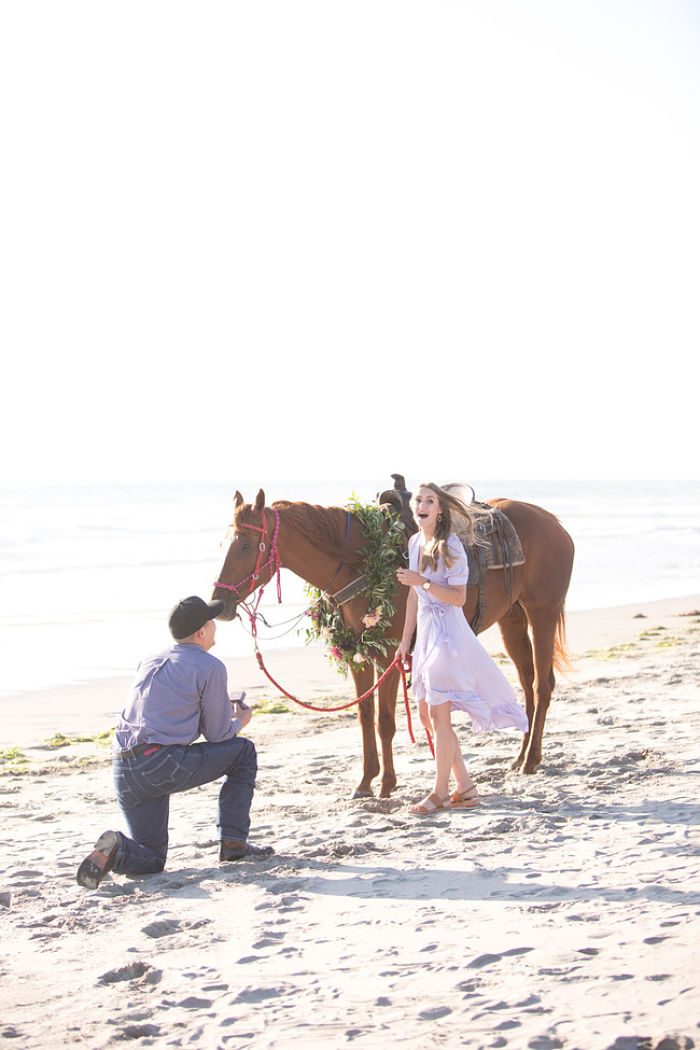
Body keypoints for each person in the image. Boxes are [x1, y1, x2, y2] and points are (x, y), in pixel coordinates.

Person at [77, 595, 273, 889]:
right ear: (201, 632)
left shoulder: (150, 659)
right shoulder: (210, 666)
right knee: (243, 752)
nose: (215, 629)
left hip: (123, 767)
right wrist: (240, 721)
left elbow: (165, 709)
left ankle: (117, 849)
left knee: (152, 859)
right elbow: (219, 735)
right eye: (211, 622)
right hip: (160, 762)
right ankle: (234, 845)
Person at [395, 483, 529, 815]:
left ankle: (439, 793)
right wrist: (405, 641)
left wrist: (422, 581)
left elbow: (458, 598)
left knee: (439, 716)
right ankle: (465, 787)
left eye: (430, 501)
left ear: (440, 509)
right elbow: (413, 598)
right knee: (427, 714)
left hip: (447, 633)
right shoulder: (415, 542)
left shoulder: (450, 545)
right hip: (426, 633)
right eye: (418, 501)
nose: (422, 505)